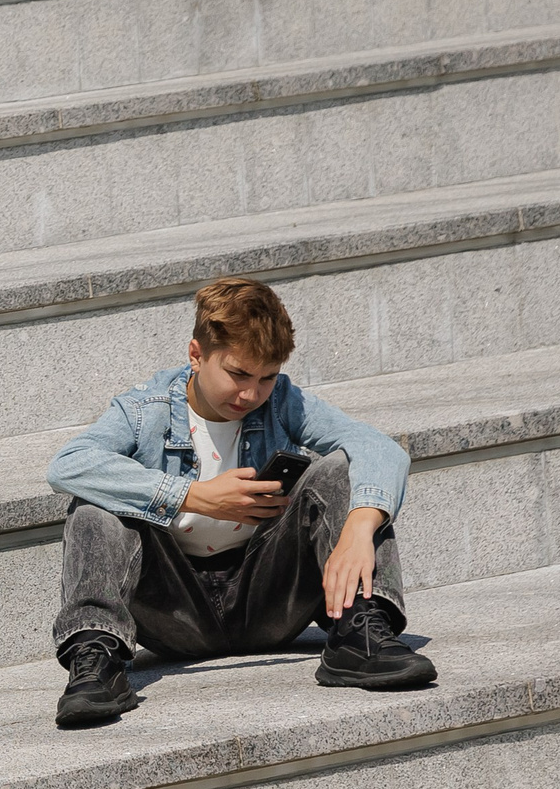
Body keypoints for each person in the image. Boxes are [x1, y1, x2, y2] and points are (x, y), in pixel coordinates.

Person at [47, 276, 433, 730]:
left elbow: (379, 448)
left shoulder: (282, 402)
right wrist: (195, 496)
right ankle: (96, 659)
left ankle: (360, 632)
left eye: (266, 377)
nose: (251, 394)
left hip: (270, 598)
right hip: (174, 610)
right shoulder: (144, 410)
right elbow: (68, 465)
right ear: (196, 355)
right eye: (238, 374)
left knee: (341, 468)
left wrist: (358, 531)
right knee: (94, 505)